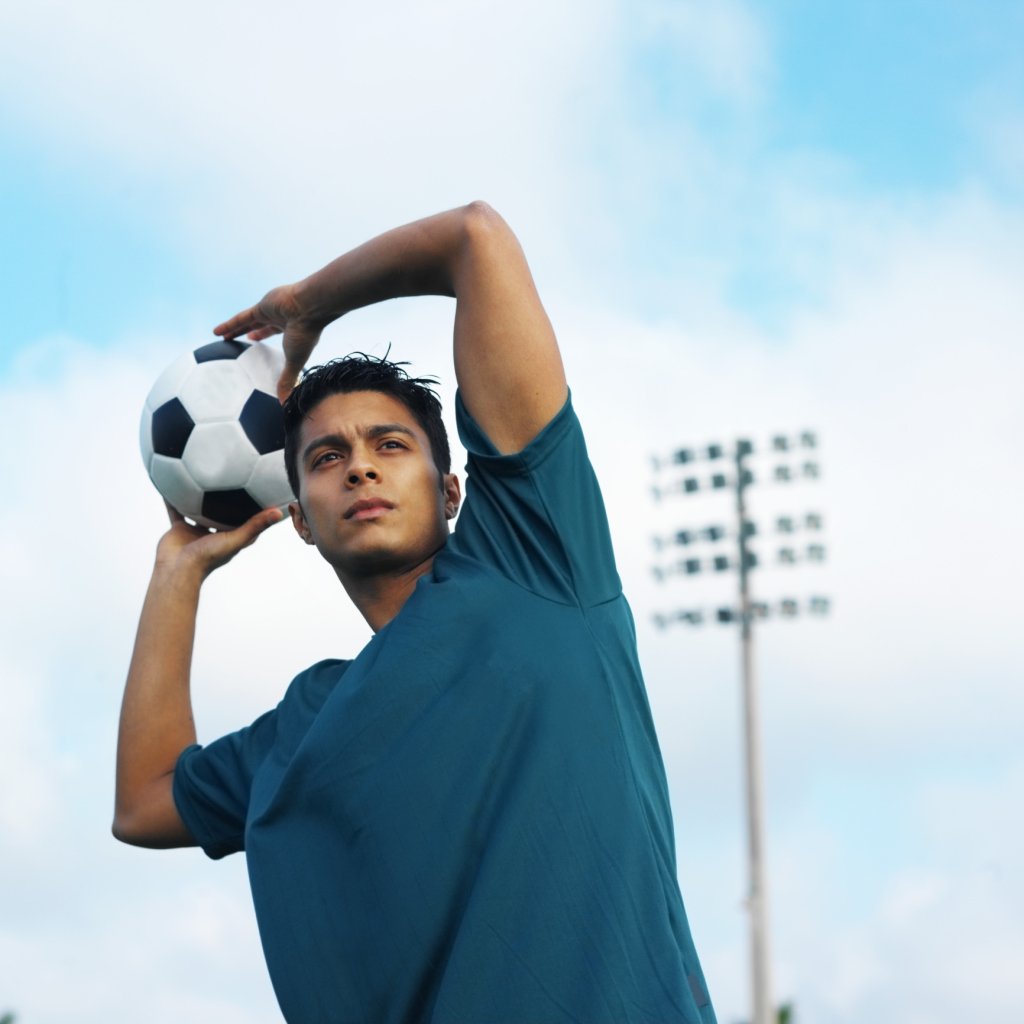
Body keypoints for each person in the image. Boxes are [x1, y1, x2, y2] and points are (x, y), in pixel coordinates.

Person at [114, 202, 717, 1024]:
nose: (359, 467)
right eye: (326, 459)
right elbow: (144, 804)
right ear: (297, 514)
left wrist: (310, 305)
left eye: (390, 445)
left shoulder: (534, 555)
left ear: (453, 486)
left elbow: (476, 238)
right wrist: (175, 579)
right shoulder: (302, 725)